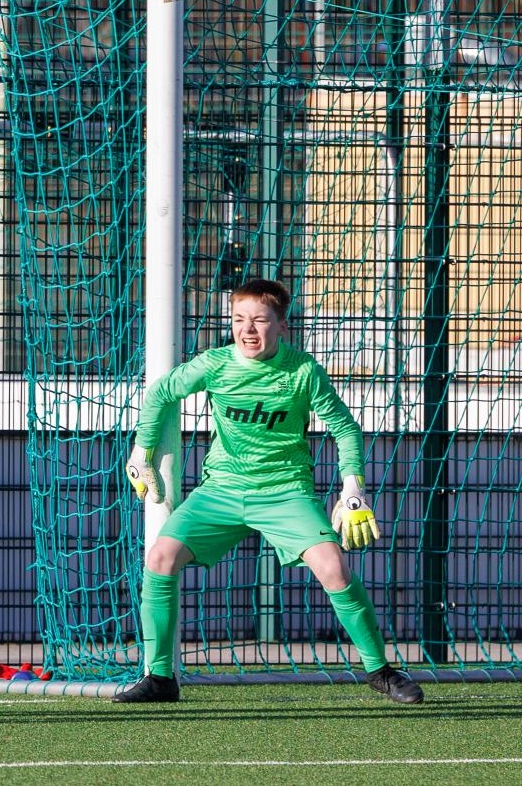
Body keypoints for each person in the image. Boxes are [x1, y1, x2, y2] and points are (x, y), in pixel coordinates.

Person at [117, 277, 424, 705]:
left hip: (286, 492)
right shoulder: (214, 364)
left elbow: (345, 428)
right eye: (238, 319)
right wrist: (141, 452)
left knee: (334, 568)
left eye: (259, 320)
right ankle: (160, 678)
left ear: (282, 325)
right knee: (160, 558)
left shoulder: (303, 371)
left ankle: (380, 671)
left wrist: (352, 489)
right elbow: (162, 393)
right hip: (222, 490)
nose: (247, 329)